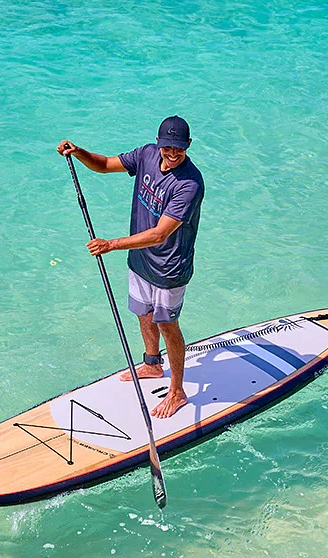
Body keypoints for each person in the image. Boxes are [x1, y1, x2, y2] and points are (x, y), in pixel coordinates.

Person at [57, 116, 205, 419]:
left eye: (178, 148)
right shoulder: (147, 155)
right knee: (143, 312)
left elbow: (160, 234)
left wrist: (110, 244)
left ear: (187, 146)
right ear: (159, 143)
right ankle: (152, 364)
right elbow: (105, 164)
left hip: (169, 267)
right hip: (140, 260)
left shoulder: (190, 183)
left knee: (167, 325)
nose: (172, 153)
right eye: (167, 147)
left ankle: (177, 392)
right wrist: (79, 152)